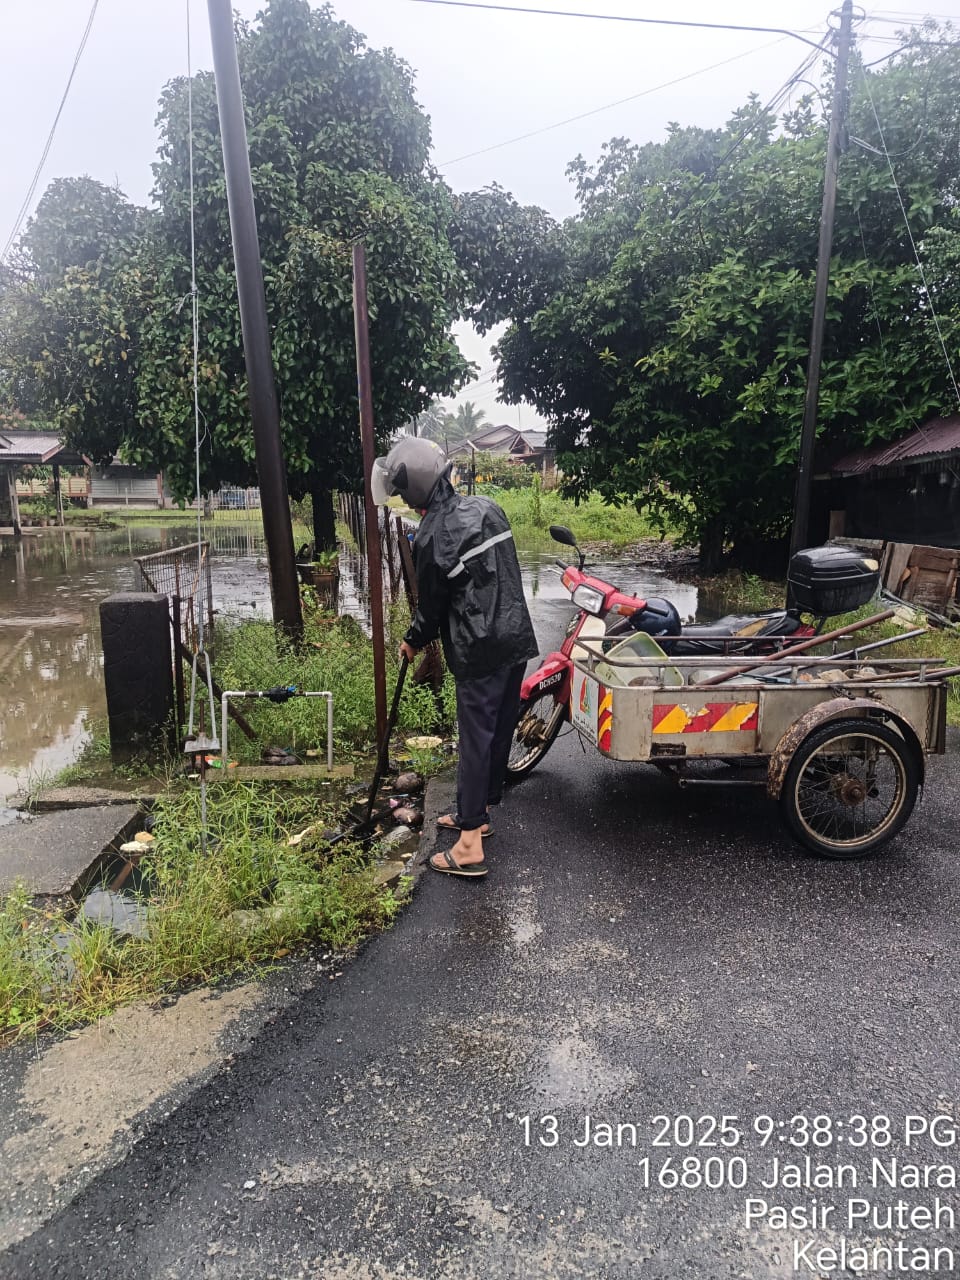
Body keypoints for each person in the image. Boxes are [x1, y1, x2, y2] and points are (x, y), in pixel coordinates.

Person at [372, 436, 539, 878]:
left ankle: (467, 846)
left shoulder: (430, 536)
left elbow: (432, 607)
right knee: (498, 731)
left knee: (474, 741)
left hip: (479, 650)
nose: (403, 498)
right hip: (515, 638)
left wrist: (412, 640)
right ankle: (477, 813)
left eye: (403, 491)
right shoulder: (488, 507)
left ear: (418, 488)